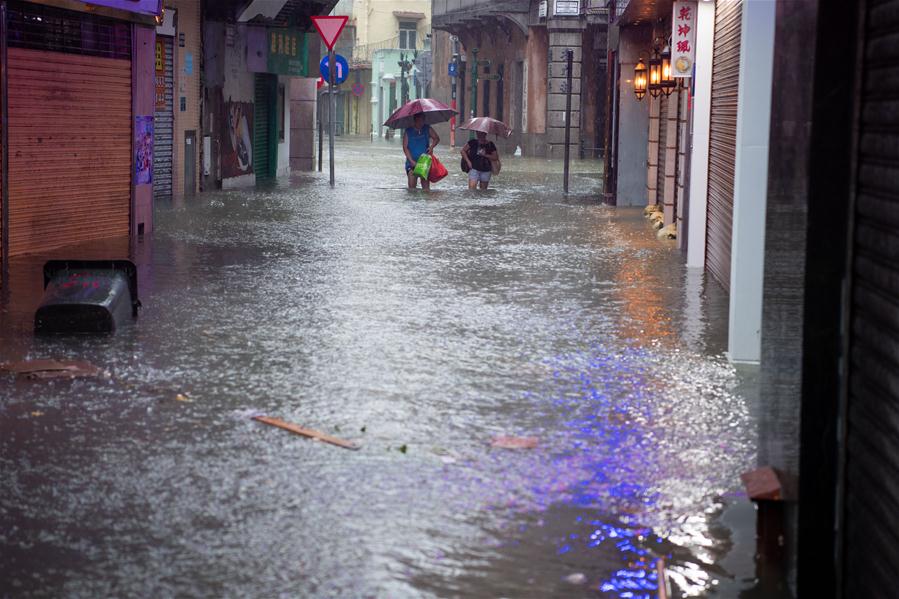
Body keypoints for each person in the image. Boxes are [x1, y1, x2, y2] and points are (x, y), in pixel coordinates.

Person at [403, 113, 440, 190]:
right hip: (411, 163)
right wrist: (411, 161)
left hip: (424, 162)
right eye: (419, 121)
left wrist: (432, 146)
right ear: (415, 120)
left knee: (426, 189)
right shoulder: (408, 131)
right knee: (412, 189)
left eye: (422, 120)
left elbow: (436, 138)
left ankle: (424, 201)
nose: (421, 123)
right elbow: (405, 147)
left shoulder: (427, 128)